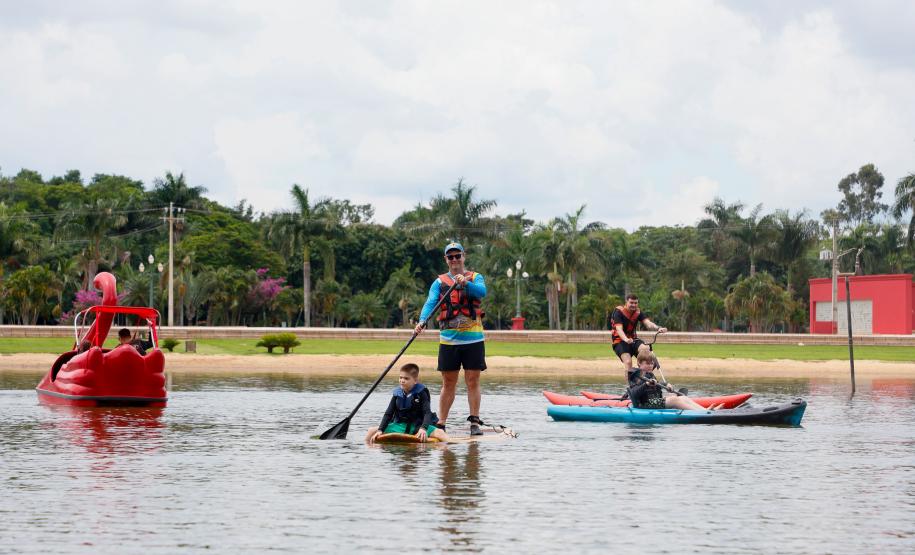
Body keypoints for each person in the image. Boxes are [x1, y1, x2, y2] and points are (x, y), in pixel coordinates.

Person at [414, 241, 487, 436]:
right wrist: (422, 321)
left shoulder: (476, 277)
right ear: (446, 259)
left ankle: (474, 422)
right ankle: (441, 423)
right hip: (449, 341)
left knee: (473, 381)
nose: (454, 260)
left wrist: (466, 283)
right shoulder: (439, 282)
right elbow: (430, 303)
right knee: (448, 383)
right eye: (450, 256)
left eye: (457, 256)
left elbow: (482, 292)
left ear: (464, 256)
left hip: (473, 340)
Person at [366, 363, 449, 444]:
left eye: (406, 378)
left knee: (440, 433)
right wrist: (381, 430)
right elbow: (388, 414)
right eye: (400, 377)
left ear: (415, 380)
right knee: (371, 431)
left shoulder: (421, 393)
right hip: (400, 426)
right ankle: (368, 449)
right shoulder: (397, 394)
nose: (402, 381)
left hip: (418, 427)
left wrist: (423, 428)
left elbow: (427, 413)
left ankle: (448, 451)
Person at [628, 350, 722, 411]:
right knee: (674, 400)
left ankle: (706, 410)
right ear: (639, 363)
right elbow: (633, 393)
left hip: (653, 402)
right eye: (647, 363)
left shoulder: (650, 374)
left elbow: (658, 384)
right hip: (643, 405)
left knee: (683, 398)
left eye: (652, 364)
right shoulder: (635, 375)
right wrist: (646, 385)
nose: (650, 366)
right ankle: (704, 413)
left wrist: (667, 384)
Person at [610, 294, 666, 374]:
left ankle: (645, 377)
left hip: (633, 340)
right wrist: (626, 339)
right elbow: (619, 329)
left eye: (635, 303)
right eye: (631, 303)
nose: (634, 305)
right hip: (619, 341)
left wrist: (658, 328)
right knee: (628, 362)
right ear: (626, 302)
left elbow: (648, 323)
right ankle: (632, 384)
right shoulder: (619, 312)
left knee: (646, 350)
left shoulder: (638, 312)